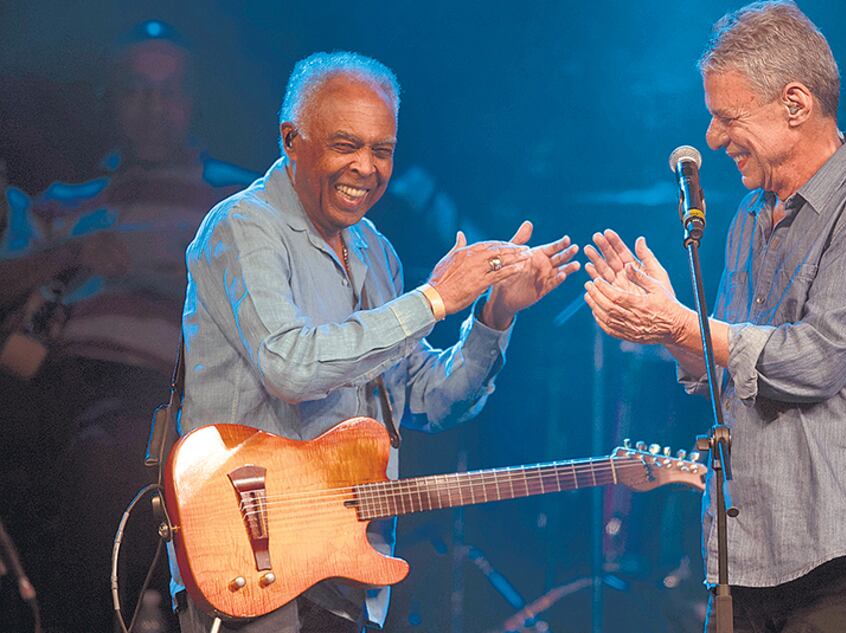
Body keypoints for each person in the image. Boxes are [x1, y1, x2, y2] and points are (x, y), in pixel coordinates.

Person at [173, 51, 579, 633]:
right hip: (251, 556)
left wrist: (494, 315)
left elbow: (428, 401)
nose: (366, 167)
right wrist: (433, 300)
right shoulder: (243, 226)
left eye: (381, 150)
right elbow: (289, 365)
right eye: (346, 145)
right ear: (292, 140)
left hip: (345, 571)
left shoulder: (376, 250)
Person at [582, 2, 846, 631]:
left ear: (795, 104)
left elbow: (815, 363)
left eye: (727, 118)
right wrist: (668, 328)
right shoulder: (747, 217)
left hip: (839, 563)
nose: (712, 139)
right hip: (742, 560)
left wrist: (680, 324)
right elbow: (733, 375)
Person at [0, 21, 255, 633]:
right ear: (111, 101)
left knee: (107, 462)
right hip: (49, 385)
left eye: (168, 93)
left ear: (191, 104)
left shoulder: (238, 200)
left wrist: (180, 269)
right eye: (136, 91)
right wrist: (72, 254)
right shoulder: (68, 200)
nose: (153, 109)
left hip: (166, 393)